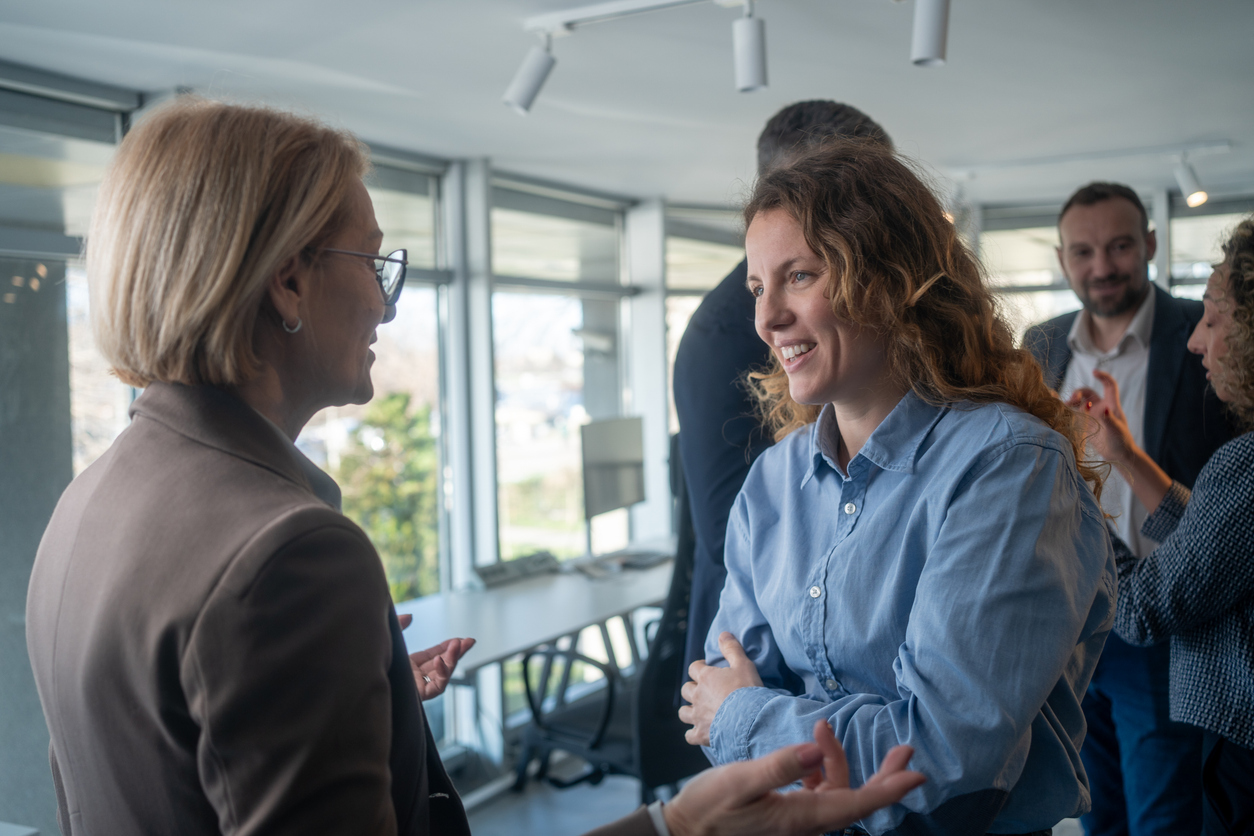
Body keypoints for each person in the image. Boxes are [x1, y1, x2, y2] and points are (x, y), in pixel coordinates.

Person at [24, 98, 923, 836]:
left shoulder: (85, 504)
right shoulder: (283, 556)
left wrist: (365, 695)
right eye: (371, 260)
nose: (385, 297)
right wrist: (674, 828)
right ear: (288, 283)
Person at [678, 139, 1117, 836]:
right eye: (759, 288)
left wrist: (747, 716)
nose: (767, 320)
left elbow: (936, 758)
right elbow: (711, 685)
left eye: (799, 276)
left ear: (886, 279)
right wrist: (746, 714)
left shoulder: (1007, 465)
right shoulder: (773, 479)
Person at [1023, 182, 1232, 836]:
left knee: (1164, 814)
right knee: (1092, 809)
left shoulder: (1208, 334)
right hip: (1069, 620)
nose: (1102, 267)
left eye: (1118, 247)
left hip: (1168, 627)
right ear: (1063, 260)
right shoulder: (1041, 346)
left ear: (1149, 244)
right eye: (1083, 252)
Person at [673, 100, 892, 675]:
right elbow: (751, 537)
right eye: (852, 193)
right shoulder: (731, 334)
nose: (881, 224)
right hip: (775, 647)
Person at [1068, 217, 1254, 836]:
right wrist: (1120, 453)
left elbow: (1144, 604)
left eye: (1215, 317)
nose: (1199, 340)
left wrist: (1070, 491)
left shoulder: (1244, 462)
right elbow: (1216, 539)